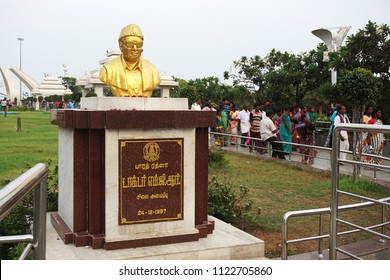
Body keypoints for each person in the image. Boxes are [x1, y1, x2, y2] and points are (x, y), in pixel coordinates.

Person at [99, 24, 160, 97]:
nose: (135, 48)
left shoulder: (153, 71)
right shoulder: (108, 70)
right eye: (130, 44)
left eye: (139, 45)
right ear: (121, 45)